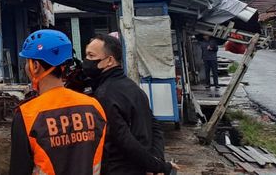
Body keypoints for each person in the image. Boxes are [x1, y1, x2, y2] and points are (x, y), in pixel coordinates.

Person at [10, 29, 107, 175]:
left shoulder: (27, 114)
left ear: (35, 66)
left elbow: (19, 169)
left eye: (27, 62)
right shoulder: (94, 106)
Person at [84, 33, 177, 175]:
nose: (86, 61)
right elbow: (155, 127)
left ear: (109, 61)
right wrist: (156, 160)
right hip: (140, 167)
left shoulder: (104, 95)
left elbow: (124, 141)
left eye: (91, 56)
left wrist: (158, 166)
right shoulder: (133, 87)